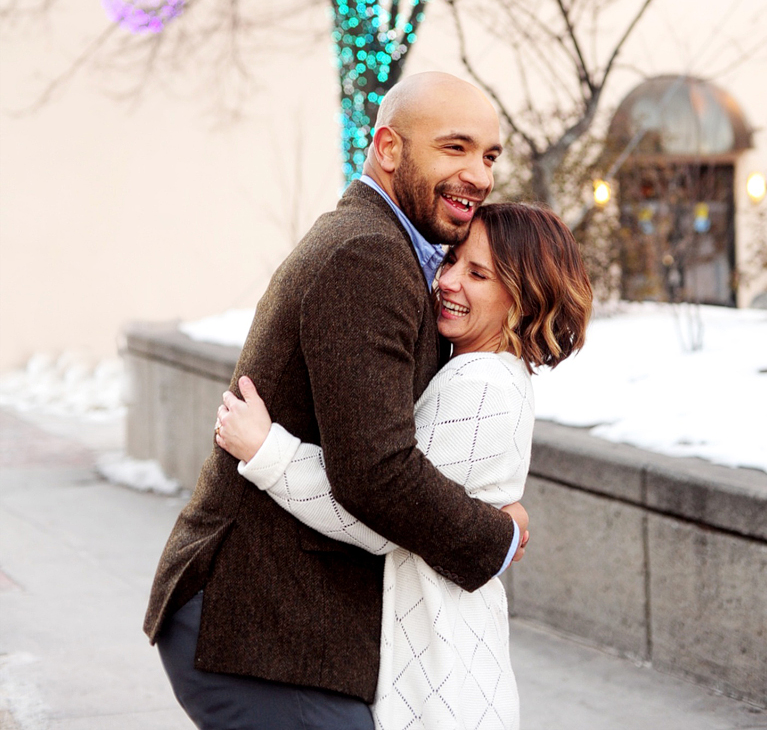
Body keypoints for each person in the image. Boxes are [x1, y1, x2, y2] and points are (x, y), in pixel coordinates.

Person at [145, 72, 531, 730]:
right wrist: (496, 535)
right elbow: (376, 474)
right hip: (252, 622)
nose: (479, 173)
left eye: (490, 155)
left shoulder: (395, 251)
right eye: (455, 147)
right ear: (388, 146)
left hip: (288, 623)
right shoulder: (367, 254)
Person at [215, 202, 594, 730]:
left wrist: (266, 452)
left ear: (523, 299)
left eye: (478, 274)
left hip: (437, 678)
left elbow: (380, 513)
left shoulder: (481, 385)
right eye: (453, 260)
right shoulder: (476, 369)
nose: (449, 281)